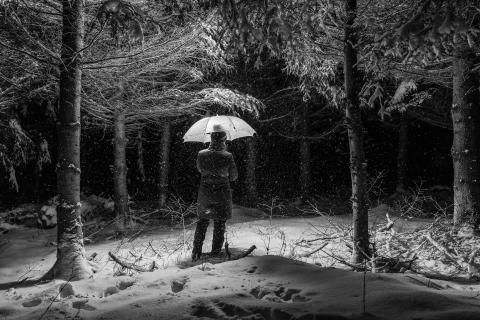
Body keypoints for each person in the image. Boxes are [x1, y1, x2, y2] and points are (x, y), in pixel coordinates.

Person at [192, 124, 238, 261]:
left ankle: (196, 252)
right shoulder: (228, 156)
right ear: (224, 139)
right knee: (219, 223)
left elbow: (200, 170)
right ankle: (215, 253)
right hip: (222, 194)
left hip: (206, 193)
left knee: (202, 222)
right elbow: (234, 176)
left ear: (211, 138)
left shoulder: (201, 154)